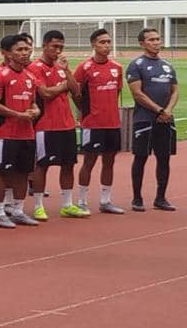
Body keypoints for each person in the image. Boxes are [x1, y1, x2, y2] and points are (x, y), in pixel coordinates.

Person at [29, 30, 88, 219]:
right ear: (44, 45)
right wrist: (63, 86)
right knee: (42, 165)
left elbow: (77, 91)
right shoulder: (35, 67)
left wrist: (67, 71)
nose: (58, 50)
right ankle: (38, 205)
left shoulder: (61, 67)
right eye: (54, 46)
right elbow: (45, 93)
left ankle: (67, 204)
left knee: (68, 164)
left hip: (67, 124)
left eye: (61, 47)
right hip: (46, 125)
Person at [0, 35, 41, 227]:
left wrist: (36, 109)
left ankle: (18, 210)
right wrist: (18, 115)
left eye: (27, 49)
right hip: (6, 133)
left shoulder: (30, 76)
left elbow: (32, 100)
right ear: (7, 53)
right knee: (0, 171)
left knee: (23, 172)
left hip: (26, 133)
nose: (25, 53)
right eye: (20, 50)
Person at [73, 28, 126, 214]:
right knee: (89, 161)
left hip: (112, 123)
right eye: (102, 42)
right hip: (92, 123)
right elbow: (76, 94)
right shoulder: (84, 68)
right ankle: (81, 200)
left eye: (108, 42)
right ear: (93, 44)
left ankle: (105, 201)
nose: (106, 46)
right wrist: (85, 114)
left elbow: (117, 93)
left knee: (109, 161)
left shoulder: (117, 68)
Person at [127, 27, 178, 211]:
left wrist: (168, 110)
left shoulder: (167, 65)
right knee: (140, 158)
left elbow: (174, 90)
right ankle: (137, 198)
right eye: (152, 39)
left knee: (164, 159)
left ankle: (161, 198)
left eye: (158, 39)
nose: (156, 42)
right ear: (142, 43)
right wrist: (158, 110)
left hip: (165, 120)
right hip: (145, 119)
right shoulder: (136, 65)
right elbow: (137, 94)